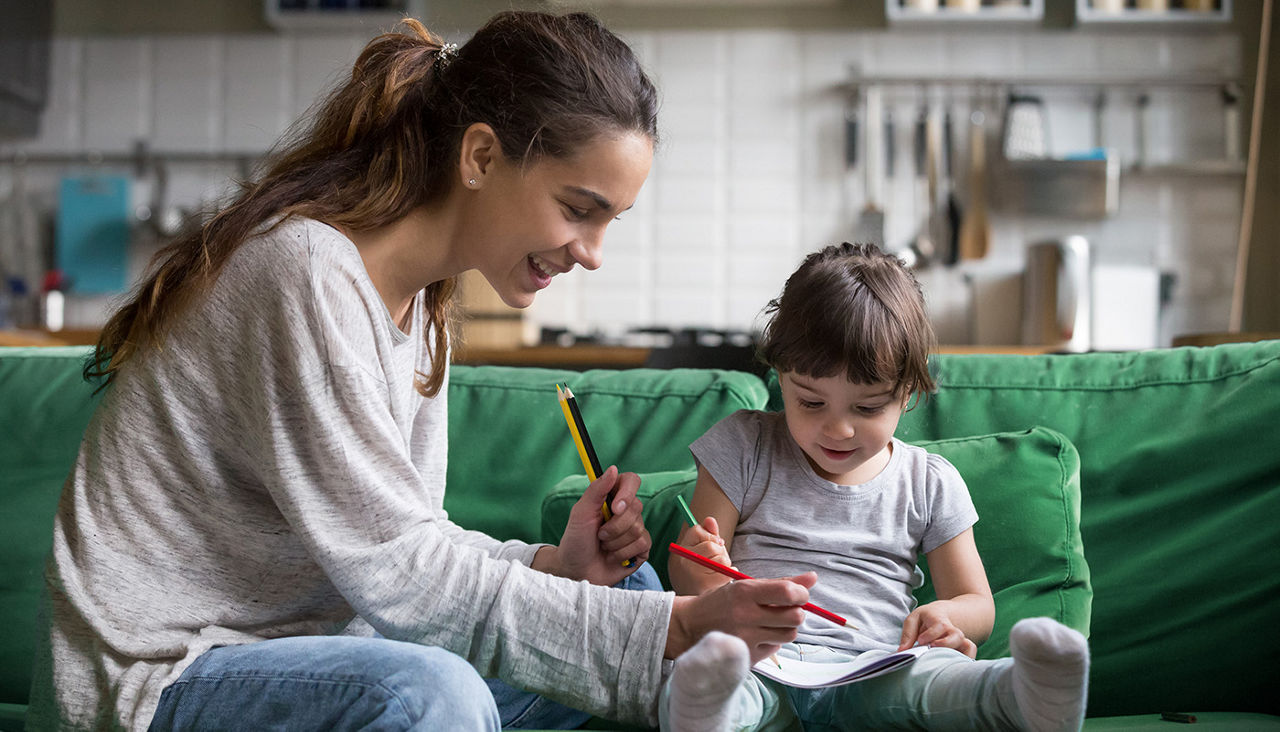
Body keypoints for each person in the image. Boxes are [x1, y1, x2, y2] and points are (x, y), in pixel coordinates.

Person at [27, 11, 820, 731]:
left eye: (609, 220)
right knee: (432, 697)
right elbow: (400, 573)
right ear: (479, 156)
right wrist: (678, 629)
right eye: (579, 208)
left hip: (323, 650)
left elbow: (410, 539)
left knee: (628, 596)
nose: (592, 252)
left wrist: (558, 566)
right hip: (163, 677)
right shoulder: (304, 272)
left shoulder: (424, 308)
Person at [663, 242, 1091, 732]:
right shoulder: (744, 444)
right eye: (810, 403)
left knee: (935, 681)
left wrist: (946, 616)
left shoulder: (929, 482)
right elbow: (690, 566)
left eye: (866, 409)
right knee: (713, 675)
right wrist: (703, 571)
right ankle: (703, 709)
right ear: (781, 377)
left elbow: (978, 605)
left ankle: (1018, 695)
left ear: (907, 392)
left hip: (872, 667)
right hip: (759, 659)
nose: (838, 429)